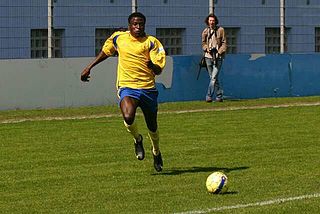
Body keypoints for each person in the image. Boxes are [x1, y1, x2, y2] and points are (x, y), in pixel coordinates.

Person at [80, 12, 166, 172]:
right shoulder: (119, 38)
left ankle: (156, 151)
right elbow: (106, 52)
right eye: (135, 24)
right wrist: (89, 67)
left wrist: (151, 66)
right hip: (127, 87)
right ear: (129, 26)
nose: (138, 27)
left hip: (148, 89)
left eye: (141, 24)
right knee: (128, 115)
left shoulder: (152, 42)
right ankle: (137, 139)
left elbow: (159, 69)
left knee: (152, 126)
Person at [201, 13, 227, 102]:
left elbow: (224, 43)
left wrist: (219, 52)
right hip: (208, 56)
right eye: (210, 20)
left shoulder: (221, 30)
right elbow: (203, 43)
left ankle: (208, 96)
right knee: (212, 77)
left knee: (213, 77)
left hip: (218, 57)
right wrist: (207, 49)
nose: (211, 22)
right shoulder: (205, 31)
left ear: (215, 21)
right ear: (207, 22)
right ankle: (219, 95)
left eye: (213, 20)